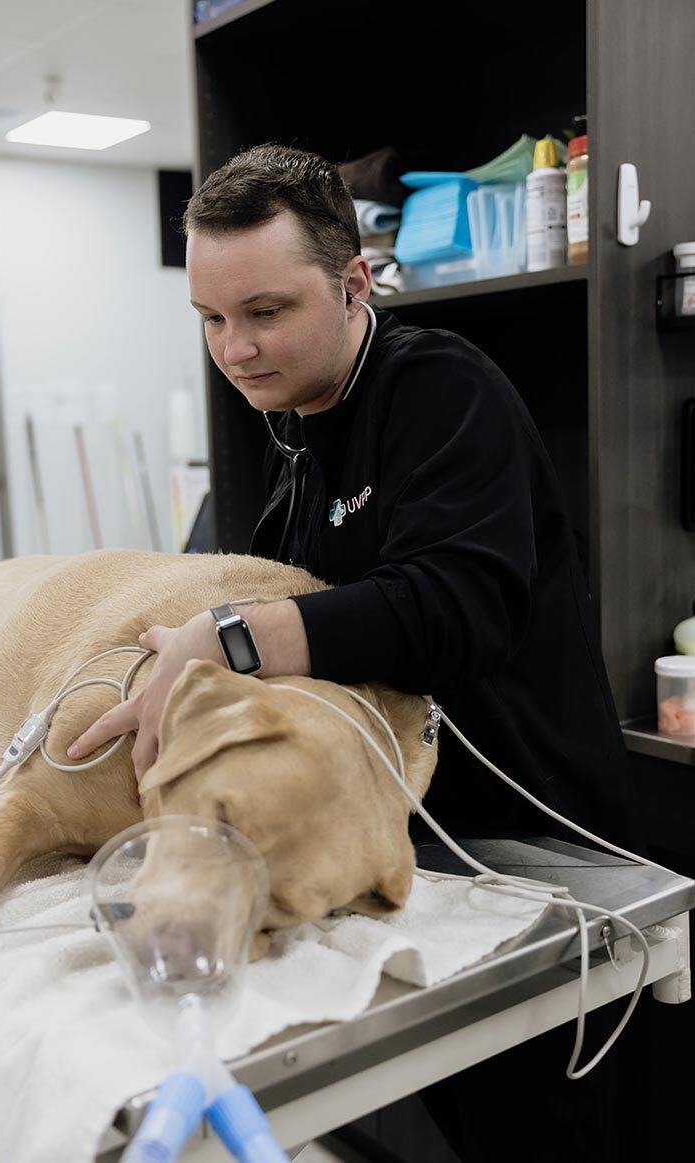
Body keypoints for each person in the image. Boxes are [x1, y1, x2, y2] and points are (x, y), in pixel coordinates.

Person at [69, 144, 644, 1163]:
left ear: (352, 282)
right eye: (210, 319)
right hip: (406, 850)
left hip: (534, 856)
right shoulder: (291, 432)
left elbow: (452, 610)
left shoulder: (441, 390)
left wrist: (230, 637)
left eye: (265, 311)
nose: (236, 348)